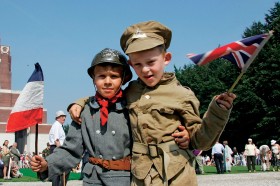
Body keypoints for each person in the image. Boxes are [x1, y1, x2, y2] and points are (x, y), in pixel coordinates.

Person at [68, 21, 236, 185]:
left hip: (176, 174)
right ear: (130, 64)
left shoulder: (182, 94)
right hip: (141, 175)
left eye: (151, 62)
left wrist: (216, 113)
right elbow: (107, 97)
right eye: (138, 64)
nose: (145, 70)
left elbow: (202, 142)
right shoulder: (132, 91)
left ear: (166, 58)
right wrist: (80, 103)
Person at [30, 48, 134, 186]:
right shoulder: (84, 112)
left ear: (123, 79)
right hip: (93, 180)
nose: (107, 81)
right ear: (94, 79)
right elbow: (71, 150)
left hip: (125, 180)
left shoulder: (133, 108)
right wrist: (47, 164)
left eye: (114, 76)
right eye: (101, 76)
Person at [47, 110, 68, 186]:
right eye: (62, 116)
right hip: (56, 148)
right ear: (58, 118)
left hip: (56, 148)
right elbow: (56, 140)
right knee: (56, 171)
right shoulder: (57, 125)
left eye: (64, 116)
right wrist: (61, 151)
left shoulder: (58, 125)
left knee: (58, 171)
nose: (64, 118)